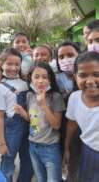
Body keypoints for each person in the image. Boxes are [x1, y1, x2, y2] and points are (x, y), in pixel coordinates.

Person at [15, 62, 65, 182]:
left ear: (50, 79)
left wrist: (43, 105)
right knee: (40, 178)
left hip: (50, 147)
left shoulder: (56, 97)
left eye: (45, 77)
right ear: (30, 79)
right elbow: (34, 120)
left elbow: (56, 125)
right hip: (33, 145)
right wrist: (23, 113)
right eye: (36, 77)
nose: (41, 81)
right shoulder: (30, 95)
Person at [0, 48, 33, 182]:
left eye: (17, 64)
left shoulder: (26, 83)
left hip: (27, 126)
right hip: (11, 129)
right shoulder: (0, 88)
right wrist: (2, 143)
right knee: (8, 163)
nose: (13, 67)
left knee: (28, 161)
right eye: (9, 64)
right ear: (2, 64)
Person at [64, 51, 99, 182]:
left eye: (97, 74)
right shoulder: (74, 98)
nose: (90, 81)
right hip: (88, 151)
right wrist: (66, 148)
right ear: (75, 77)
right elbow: (72, 124)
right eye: (83, 75)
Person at [55, 41, 81, 182]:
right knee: (67, 160)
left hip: (84, 129)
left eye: (70, 55)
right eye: (61, 57)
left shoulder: (88, 76)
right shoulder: (55, 79)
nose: (66, 59)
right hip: (64, 127)